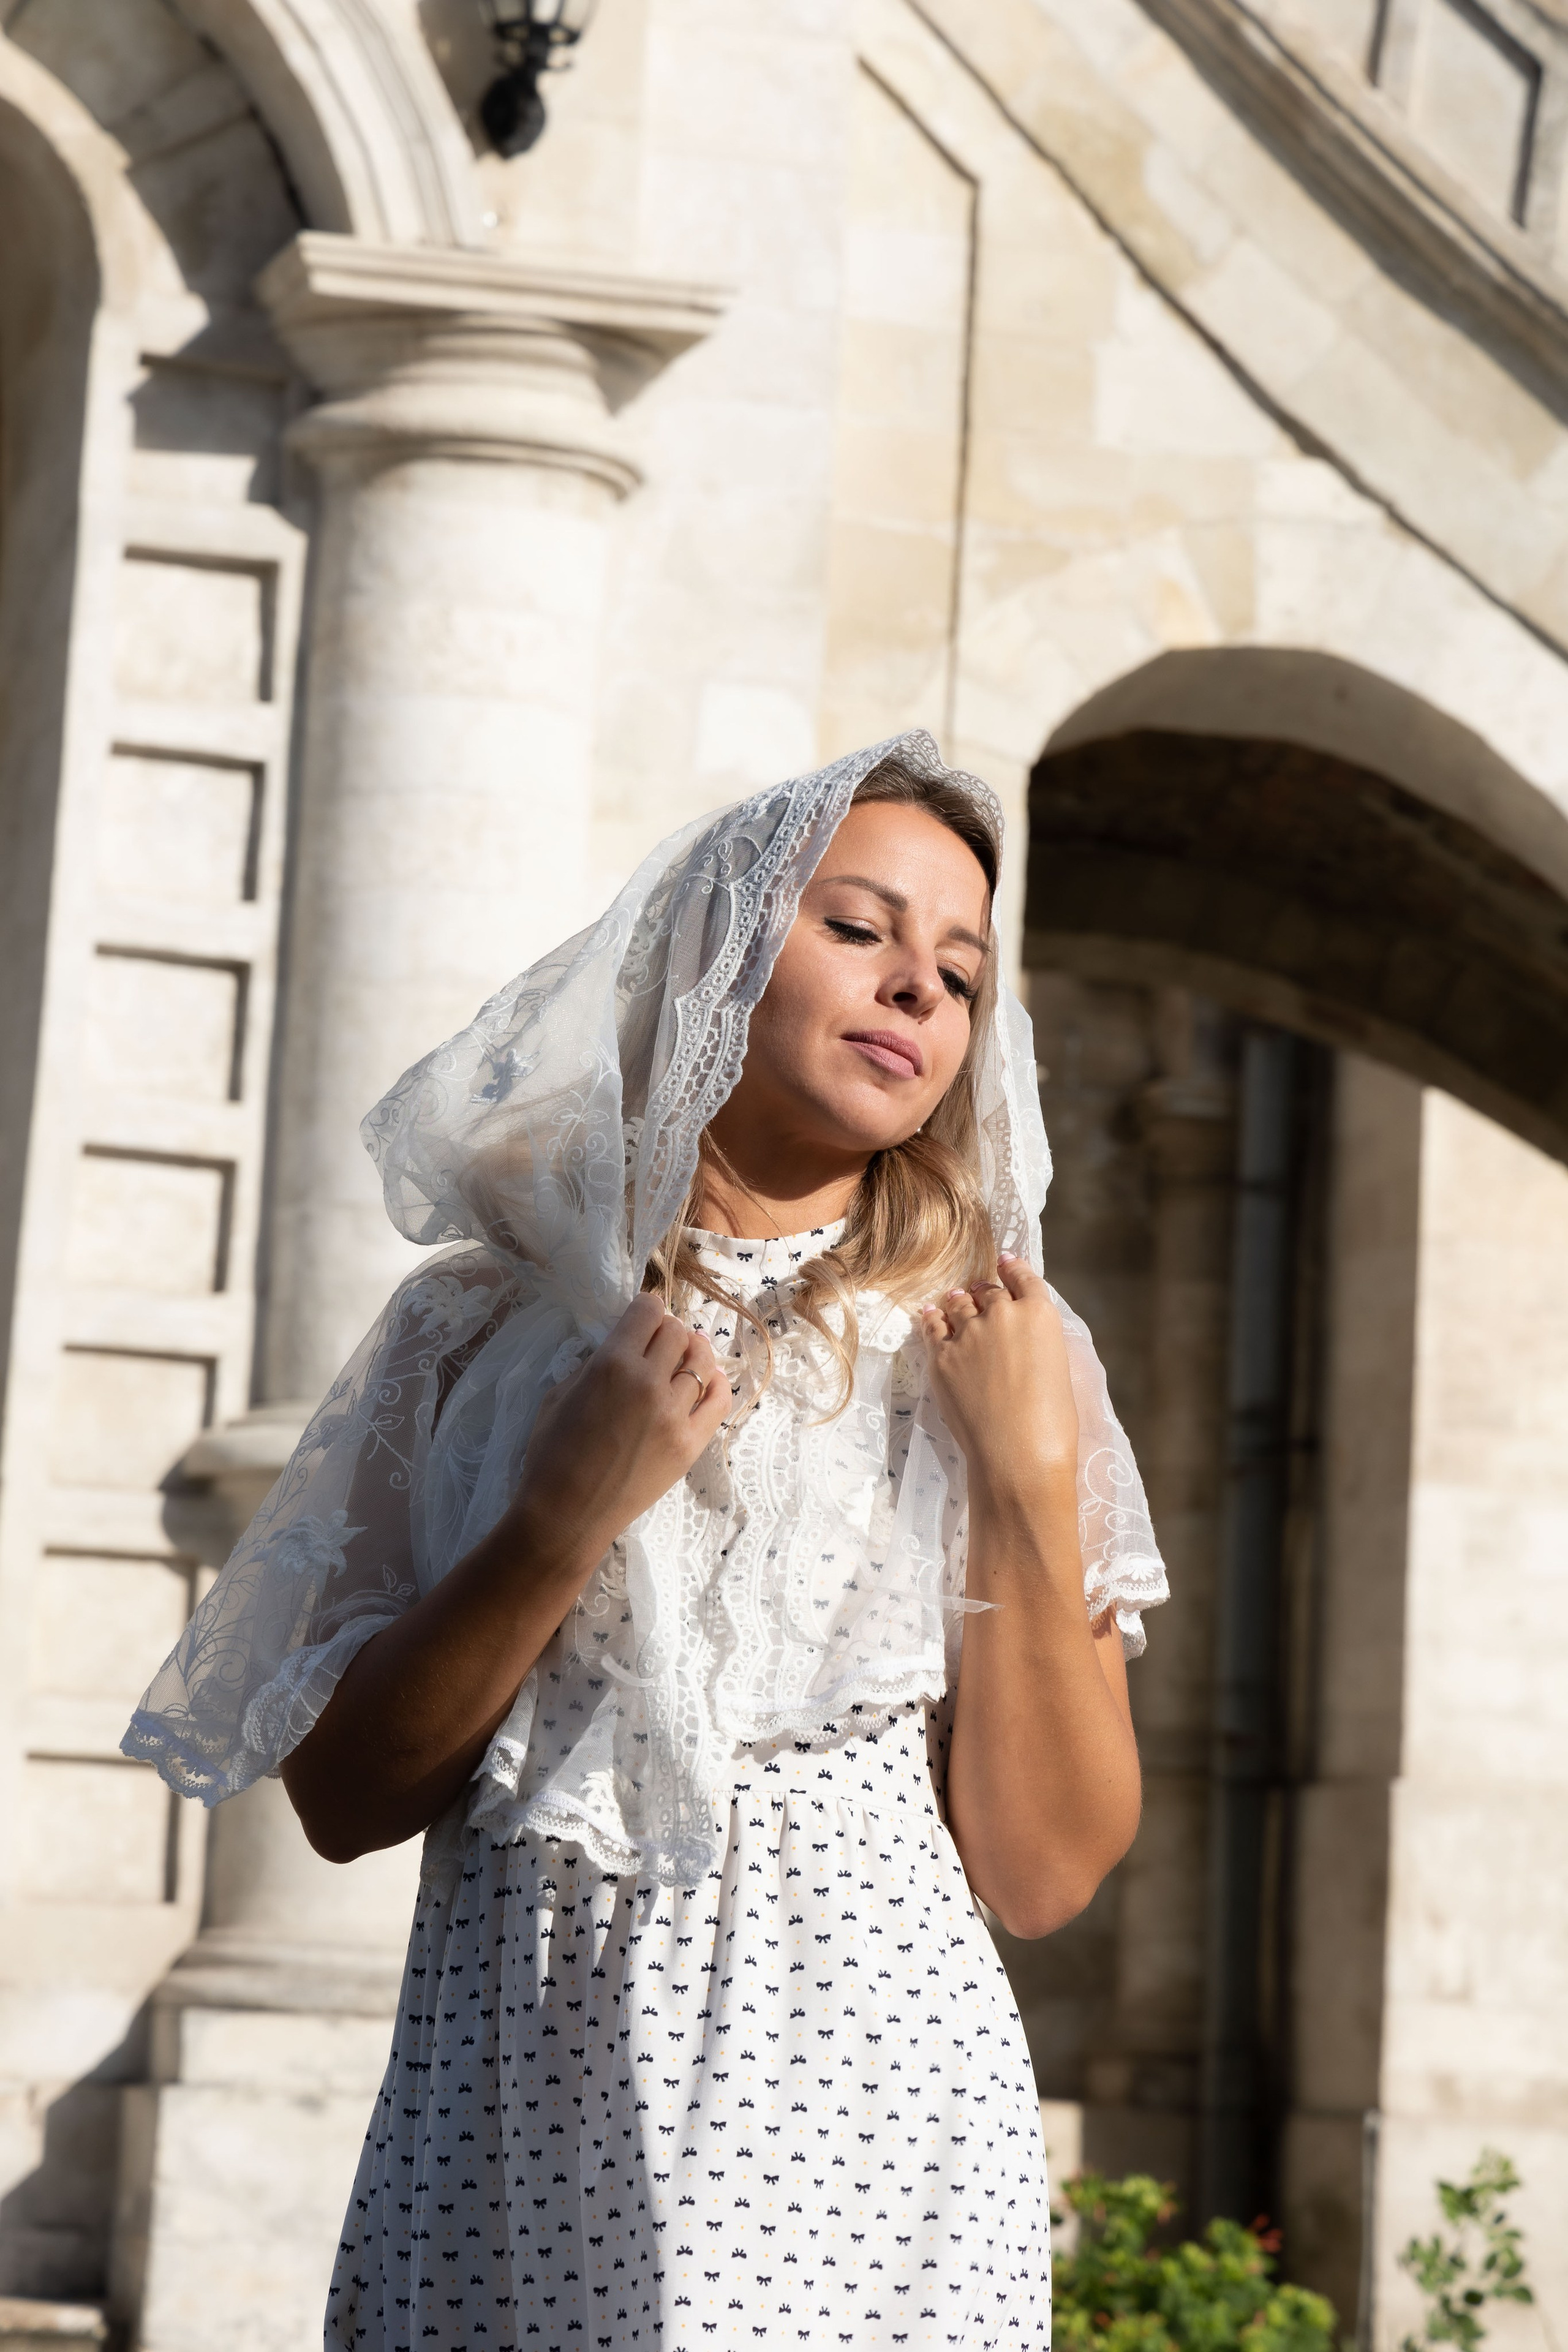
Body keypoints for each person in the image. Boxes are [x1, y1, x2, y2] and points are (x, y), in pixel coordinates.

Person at [126, 730, 1167, 2351]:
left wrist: (1031, 1487)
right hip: (516, 2095)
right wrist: (560, 1515)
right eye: (860, 927)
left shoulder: (990, 1347)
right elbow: (341, 1800)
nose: (915, 990)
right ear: (718, 945)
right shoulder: (477, 1329)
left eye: (959, 972)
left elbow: (1047, 1872)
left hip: (871, 2131)